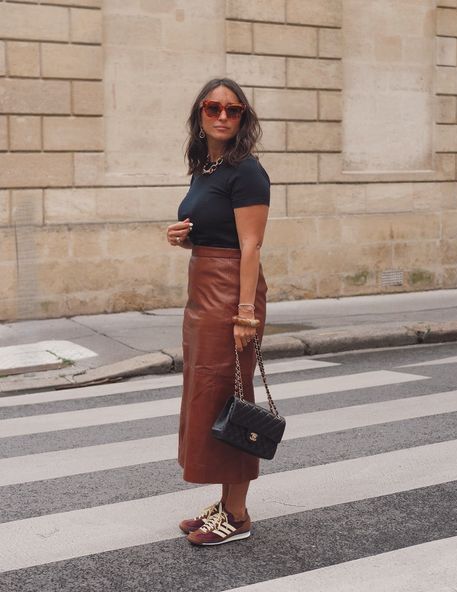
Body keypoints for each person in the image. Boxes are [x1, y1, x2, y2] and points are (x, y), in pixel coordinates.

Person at [166, 78, 270, 546]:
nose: (223, 116)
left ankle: (239, 515)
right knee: (210, 395)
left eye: (234, 110)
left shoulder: (246, 171)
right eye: (214, 107)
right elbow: (216, 231)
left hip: (230, 292)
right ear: (200, 113)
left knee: (232, 395)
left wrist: (245, 312)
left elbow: (250, 246)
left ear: (243, 118)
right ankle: (226, 503)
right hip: (202, 287)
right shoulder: (206, 166)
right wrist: (184, 237)